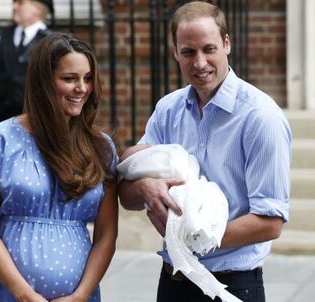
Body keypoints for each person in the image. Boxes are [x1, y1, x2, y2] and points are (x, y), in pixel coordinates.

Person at [118, 2, 291, 302]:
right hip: (172, 280)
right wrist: (146, 187)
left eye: (209, 49)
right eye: (188, 52)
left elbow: (271, 221)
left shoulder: (261, 117)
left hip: (232, 285)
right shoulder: (167, 110)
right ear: (175, 52)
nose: (199, 62)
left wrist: (194, 234)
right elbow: (126, 194)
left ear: (226, 44)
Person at [0, 32, 118, 301]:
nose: (82, 88)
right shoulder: (1, 140)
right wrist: (25, 295)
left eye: (87, 78)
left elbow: (107, 234)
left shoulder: (101, 148)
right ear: (44, 83)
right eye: (69, 78)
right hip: (10, 294)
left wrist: (80, 295)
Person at [0, 0, 53, 122]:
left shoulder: (50, 41)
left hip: (37, 119)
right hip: (4, 116)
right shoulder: (3, 35)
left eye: (20, 3)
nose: (14, 7)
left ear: (37, 9)